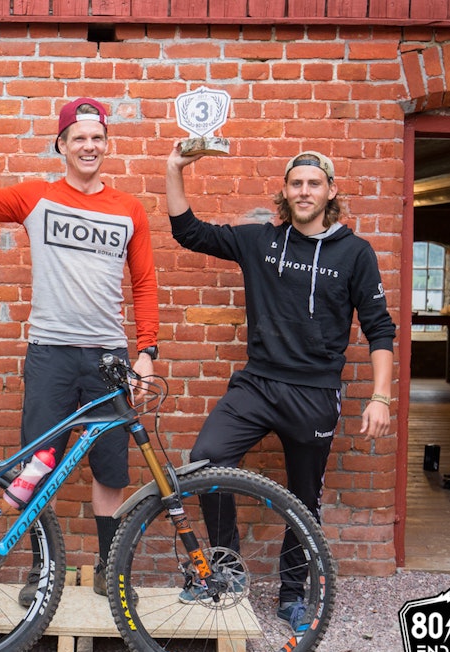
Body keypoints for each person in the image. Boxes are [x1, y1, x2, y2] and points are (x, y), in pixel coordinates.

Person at [0, 97, 159, 602]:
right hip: (51, 353)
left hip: (109, 358)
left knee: (111, 468)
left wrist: (146, 352)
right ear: (62, 145)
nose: (89, 146)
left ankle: (109, 572)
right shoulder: (36, 197)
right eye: (79, 138)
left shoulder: (129, 209)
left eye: (97, 138)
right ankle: (40, 570)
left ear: (106, 144)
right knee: (37, 465)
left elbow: (144, 283)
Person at [164, 146, 396, 625]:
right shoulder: (261, 242)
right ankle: (227, 570)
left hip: (315, 393)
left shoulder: (355, 253)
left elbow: (380, 329)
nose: (304, 191)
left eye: (314, 183)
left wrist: (380, 396)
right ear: (285, 192)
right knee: (206, 460)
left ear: (330, 191)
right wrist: (174, 168)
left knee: (304, 500)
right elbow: (189, 232)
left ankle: (292, 593)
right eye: (296, 184)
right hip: (258, 384)